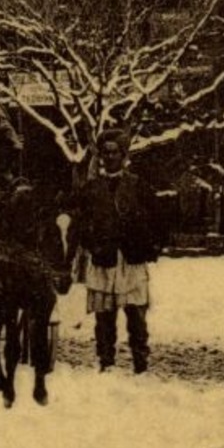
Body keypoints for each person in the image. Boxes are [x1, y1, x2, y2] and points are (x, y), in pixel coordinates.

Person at [68, 128, 165, 374]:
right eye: (105, 153)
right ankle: (106, 363)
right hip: (104, 260)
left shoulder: (138, 186)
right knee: (104, 318)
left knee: (136, 316)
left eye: (115, 153)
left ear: (123, 155)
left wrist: (151, 245)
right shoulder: (91, 188)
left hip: (131, 261)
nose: (110, 157)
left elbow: (157, 218)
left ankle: (140, 364)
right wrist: (92, 242)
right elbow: (79, 223)